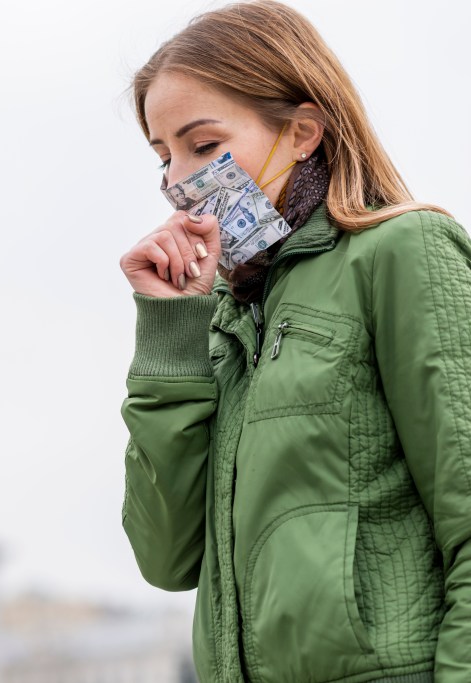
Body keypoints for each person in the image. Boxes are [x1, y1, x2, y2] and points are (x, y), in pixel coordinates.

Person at [117, 2, 470, 681]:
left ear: (302, 131)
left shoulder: (403, 252)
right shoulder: (222, 318)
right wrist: (170, 335)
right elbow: (166, 558)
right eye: (163, 156)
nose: (179, 183)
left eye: (202, 144)